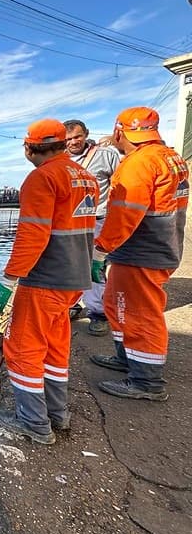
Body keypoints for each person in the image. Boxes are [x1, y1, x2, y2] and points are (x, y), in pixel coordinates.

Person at [0, 119, 98, 445]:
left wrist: (8, 281)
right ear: (63, 144)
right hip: (73, 279)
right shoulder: (86, 178)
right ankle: (57, 414)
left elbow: (32, 235)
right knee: (54, 346)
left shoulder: (41, 178)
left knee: (23, 347)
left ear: (29, 147)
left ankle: (34, 422)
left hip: (45, 279)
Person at [90, 107, 189, 401]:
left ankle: (147, 380)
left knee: (139, 312)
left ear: (120, 131)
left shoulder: (138, 165)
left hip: (141, 250)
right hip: (158, 245)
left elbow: (124, 214)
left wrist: (101, 249)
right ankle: (127, 358)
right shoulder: (171, 159)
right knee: (116, 302)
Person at [64, 119, 121, 336]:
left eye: (77, 137)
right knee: (72, 266)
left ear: (86, 134)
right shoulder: (60, 160)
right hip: (71, 223)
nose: (73, 142)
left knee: (95, 267)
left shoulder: (106, 156)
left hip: (98, 219)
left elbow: (119, 185)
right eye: (68, 139)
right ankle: (75, 304)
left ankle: (98, 314)